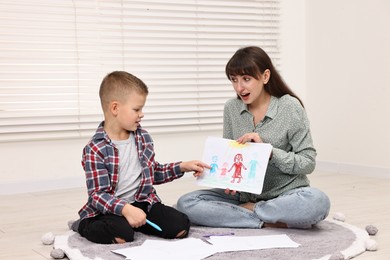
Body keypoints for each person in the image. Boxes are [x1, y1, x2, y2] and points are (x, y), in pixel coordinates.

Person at [177, 46, 331, 229]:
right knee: (186, 203)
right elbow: (230, 155)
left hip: (284, 195)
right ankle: (264, 219)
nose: (239, 87)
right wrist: (220, 178)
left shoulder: (290, 107)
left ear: (265, 77)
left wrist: (269, 151)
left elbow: (308, 162)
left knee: (317, 202)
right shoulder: (231, 108)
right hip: (243, 197)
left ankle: (249, 213)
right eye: (234, 80)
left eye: (246, 79)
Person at [74, 71, 209, 244]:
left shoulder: (142, 138)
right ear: (115, 108)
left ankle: (136, 221)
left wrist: (183, 166)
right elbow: (97, 195)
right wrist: (125, 209)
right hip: (110, 210)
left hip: (142, 202)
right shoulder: (95, 149)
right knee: (121, 235)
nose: (142, 114)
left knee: (180, 226)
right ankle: (83, 224)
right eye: (136, 109)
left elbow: (153, 173)